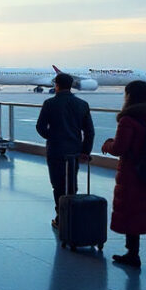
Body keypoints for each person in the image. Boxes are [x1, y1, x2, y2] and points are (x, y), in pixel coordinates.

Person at [101, 81, 146, 282]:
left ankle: (142, 257)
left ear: (130, 96)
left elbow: (120, 148)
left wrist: (108, 144)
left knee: (131, 213)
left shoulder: (128, 120)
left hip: (134, 176)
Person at [36, 72, 95, 228]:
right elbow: (89, 131)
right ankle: (72, 215)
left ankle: (61, 216)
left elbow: (40, 127)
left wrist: (52, 137)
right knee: (72, 183)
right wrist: (85, 151)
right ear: (71, 86)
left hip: (55, 150)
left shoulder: (49, 103)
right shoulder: (82, 104)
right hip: (74, 150)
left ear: (56, 85)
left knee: (58, 185)